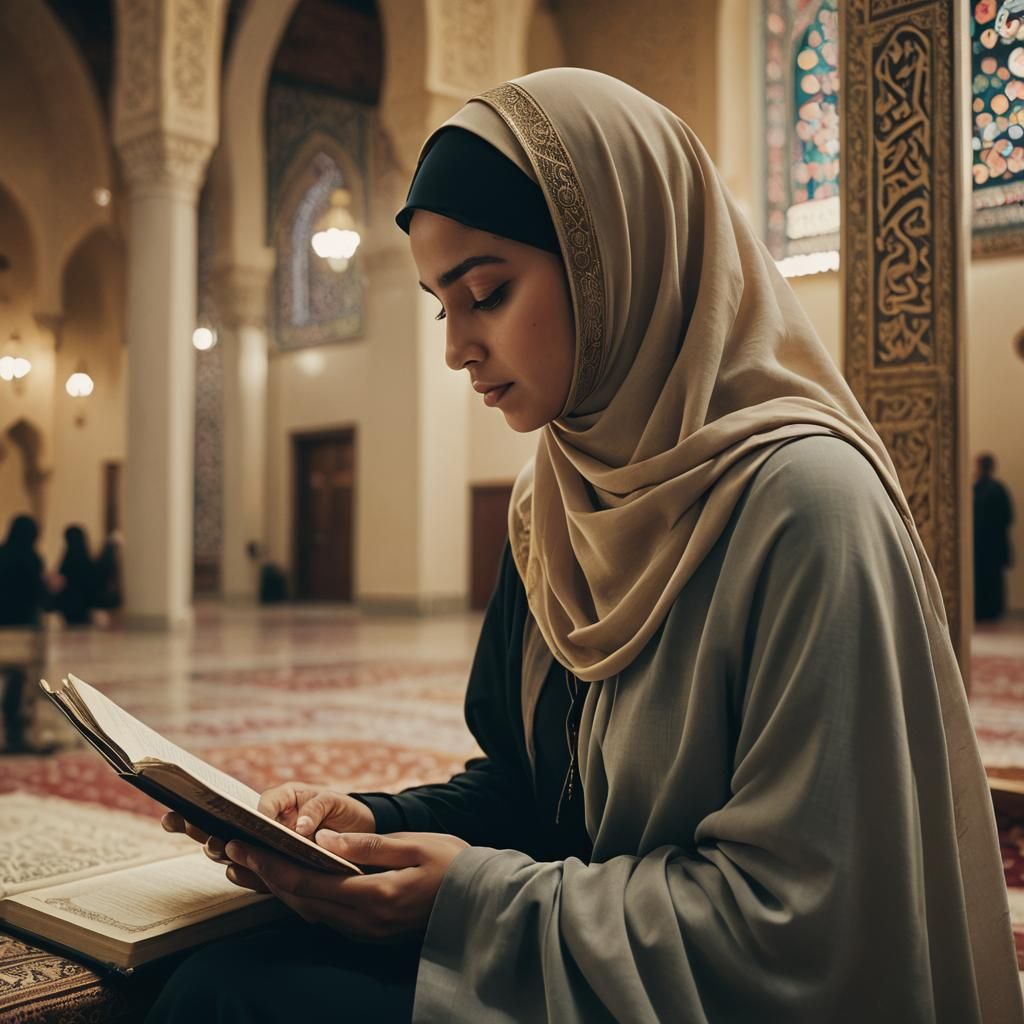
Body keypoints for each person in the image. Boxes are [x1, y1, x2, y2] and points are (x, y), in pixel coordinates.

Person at [150, 69, 1023, 1022]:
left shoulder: (807, 510)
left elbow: (803, 929)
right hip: (585, 952)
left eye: (486, 291)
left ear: (615, 261)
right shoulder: (554, 504)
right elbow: (536, 798)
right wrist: (371, 825)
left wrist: (469, 899)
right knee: (216, 970)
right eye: (445, 306)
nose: (458, 348)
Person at [0, 514, 52, 752]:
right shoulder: (32, 560)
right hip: (24, 639)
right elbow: (41, 597)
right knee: (21, 675)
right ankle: (16, 727)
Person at [974, 453, 1014, 622]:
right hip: (990, 545)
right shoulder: (995, 489)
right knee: (990, 580)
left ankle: (988, 611)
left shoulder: (985, 490)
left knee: (990, 580)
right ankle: (989, 611)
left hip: (987, 544)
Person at [52, 524, 96, 627]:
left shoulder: (68, 558)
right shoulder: (86, 558)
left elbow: (61, 578)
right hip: (85, 603)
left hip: (68, 603)